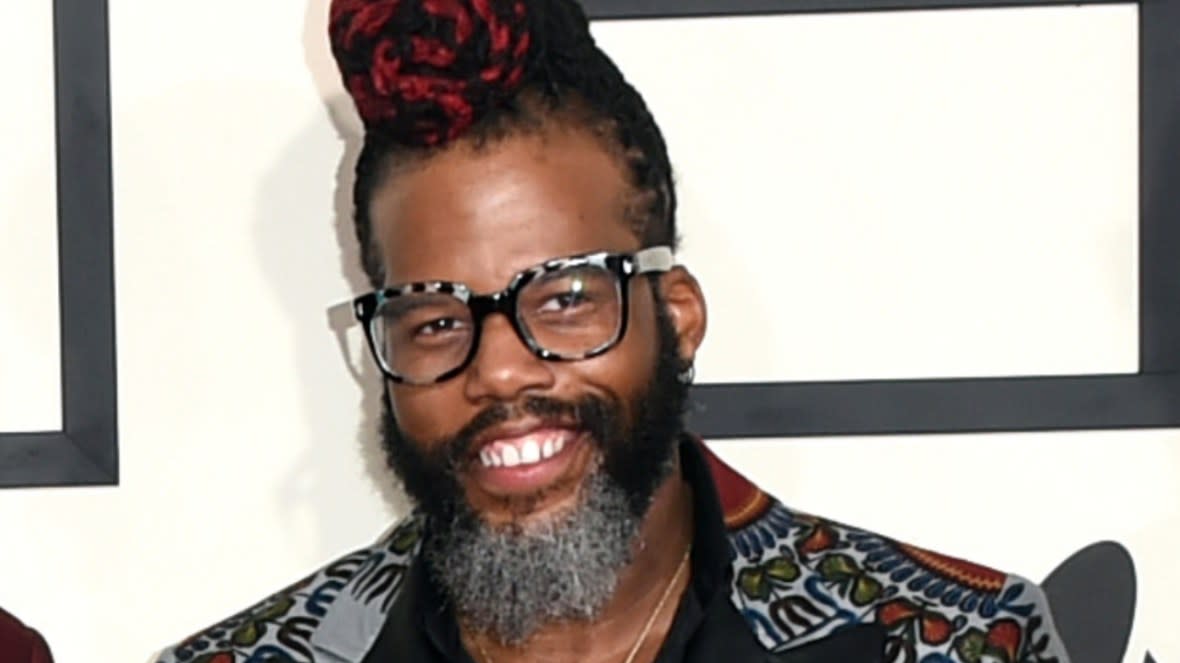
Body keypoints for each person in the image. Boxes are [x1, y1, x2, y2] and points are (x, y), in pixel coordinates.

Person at [156, 0, 1071, 661]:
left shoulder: (952, 641)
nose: (501, 373)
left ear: (675, 314)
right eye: (437, 320)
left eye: (562, 300)